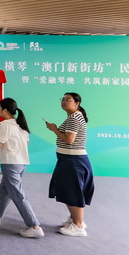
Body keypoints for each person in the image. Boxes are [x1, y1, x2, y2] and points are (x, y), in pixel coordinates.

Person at [0, 98, 44, 238]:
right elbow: (26, 144)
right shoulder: (21, 125)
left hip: (10, 163)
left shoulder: (4, 125)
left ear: (5, 110)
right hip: (21, 163)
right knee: (5, 189)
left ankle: (34, 226)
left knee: (18, 194)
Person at [44, 92, 93, 237]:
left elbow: (69, 140)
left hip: (72, 160)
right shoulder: (74, 116)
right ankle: (75, 220)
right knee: (69, 190)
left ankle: (78, 226)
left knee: (72, 191)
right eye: (63, 99)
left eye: (68, 100)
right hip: (70, 159)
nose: (64, 102)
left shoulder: (74, 118)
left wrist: (54, 129)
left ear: (77, 103)